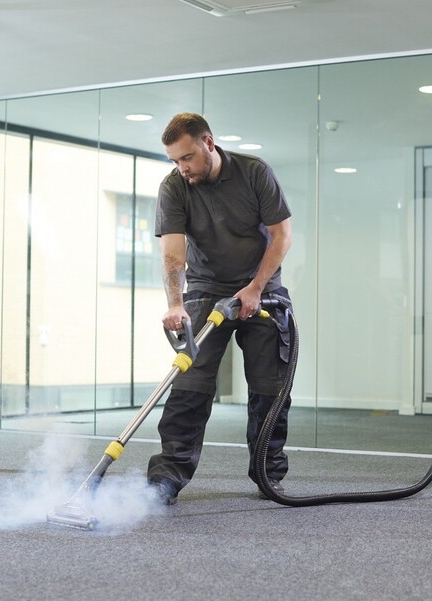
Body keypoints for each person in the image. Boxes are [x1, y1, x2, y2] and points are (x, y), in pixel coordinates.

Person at [147, 112, 294, 505]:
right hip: (207, 289)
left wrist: (255, 288)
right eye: (175, 161)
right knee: (189, 386)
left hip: (262, 290)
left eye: (188, 157)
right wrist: (176, 305)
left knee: (270, 389)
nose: (183, 168)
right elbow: (173, 253)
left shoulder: (253, 173)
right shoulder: (174, 186)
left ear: (208, 143)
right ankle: (167, 477)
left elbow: (282, 235)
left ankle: (267, 472)